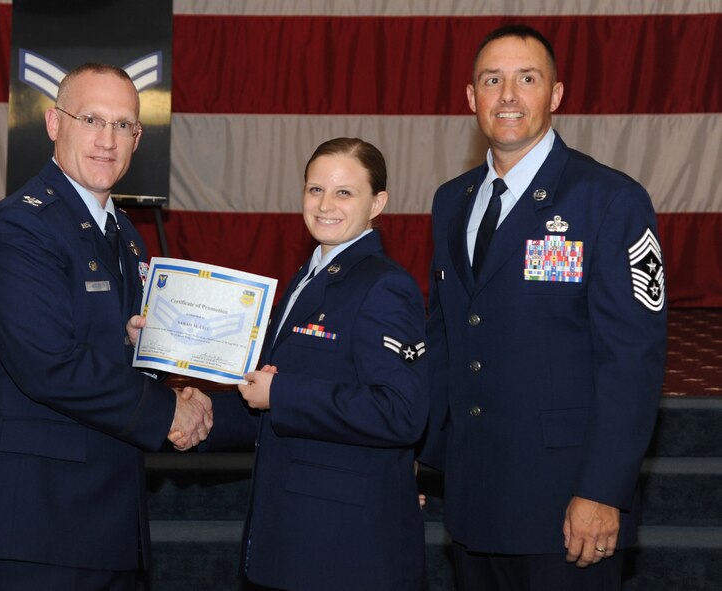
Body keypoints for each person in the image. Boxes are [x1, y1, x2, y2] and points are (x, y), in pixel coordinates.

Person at [417, 25, 667, 591]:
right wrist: (423, 451)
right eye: (492, 80)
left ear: (555, 95)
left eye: (526, 79)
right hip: (474, 498)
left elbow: (632, 359)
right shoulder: (450, 200)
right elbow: (448, 336)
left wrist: (604, 490)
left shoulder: (609, 200)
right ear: (470, 98)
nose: (508, 95)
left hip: (567, 506)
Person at [0, 63, 213, 590]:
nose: (107, 140)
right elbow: (50, 364)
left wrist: (153, 352)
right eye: (91, 119)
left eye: (124, 125)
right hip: (35, 521)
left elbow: (99, 342)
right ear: (53, 123)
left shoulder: (125, 236)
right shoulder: (21, 228)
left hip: (106, 518)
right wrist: (169, 411)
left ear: (138, 138)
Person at [188, 137, 429, 590]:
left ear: (378, 203)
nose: (325, 205)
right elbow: (265, 397)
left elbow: (401, 412)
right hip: (295, 538)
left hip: (346, 552)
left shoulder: (384, 286)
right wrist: (197, 415)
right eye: (315, 189)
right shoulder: (307, 276)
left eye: (344, 192)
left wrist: (281, 392)